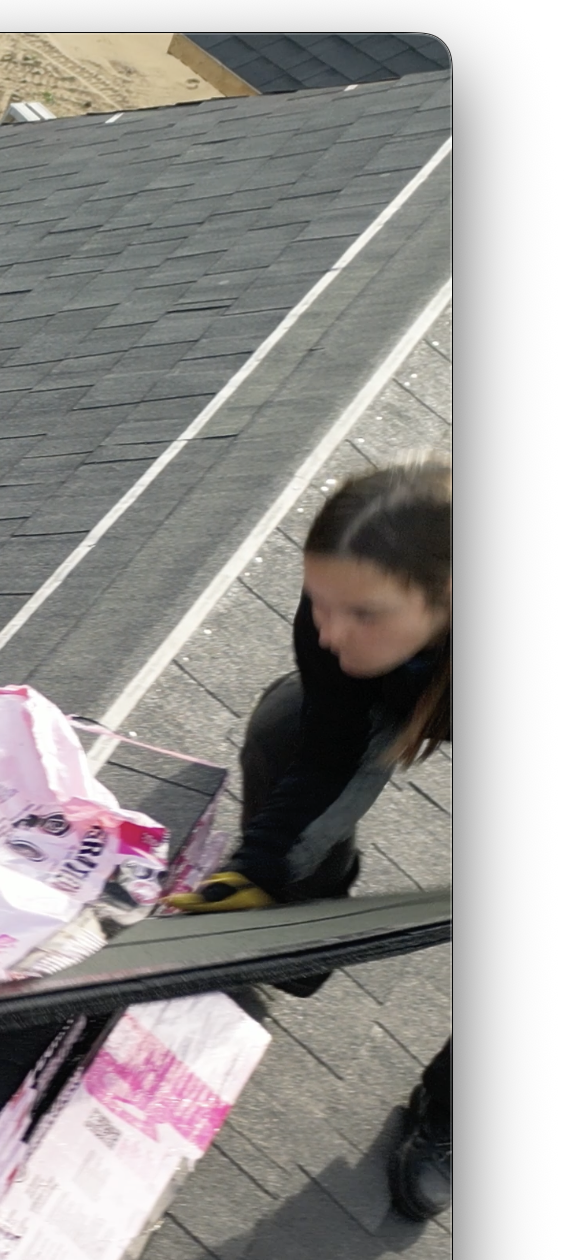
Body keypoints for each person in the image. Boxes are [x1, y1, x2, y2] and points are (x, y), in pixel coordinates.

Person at [163, 459, 452, 1218]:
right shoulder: (341, 607)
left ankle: (447, 1113)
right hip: (416, 669)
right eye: (320, 603)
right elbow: (329, 751)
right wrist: (257, 869)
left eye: (362, 614)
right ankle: (301, 922)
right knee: (285, 730)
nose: (328, 631)